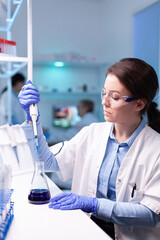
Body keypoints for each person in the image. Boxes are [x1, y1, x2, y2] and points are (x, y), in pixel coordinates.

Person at [18, 58, 160, 240]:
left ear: (139, 104)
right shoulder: (92, 133)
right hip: (85, 229)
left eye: (115, 97)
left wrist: (94, 204)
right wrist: (32, 120)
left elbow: (150, 214)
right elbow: (47, 162)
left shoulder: (156, 149)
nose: (104, 102)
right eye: (104, 93)